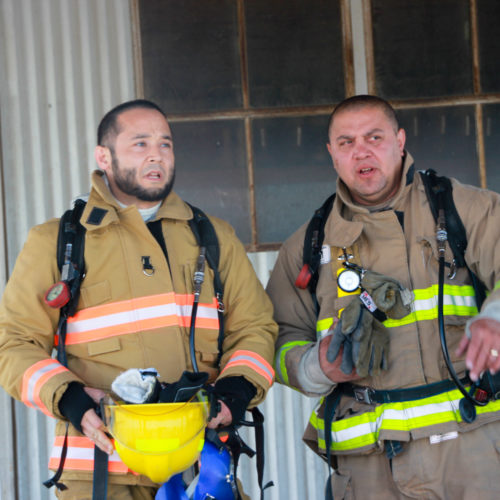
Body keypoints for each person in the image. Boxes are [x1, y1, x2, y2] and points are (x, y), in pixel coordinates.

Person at [0, 99, 278, 499]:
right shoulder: (58, 242)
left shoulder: (212, 237)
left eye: (165, 144)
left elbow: (255, 327)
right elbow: (14, 345)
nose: (156, 155)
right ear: (104, 157)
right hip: (100, 470)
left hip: (199, 465)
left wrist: (234, 393)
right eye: (140, 144)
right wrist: (72, 399)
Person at [266, 95, 500, 499]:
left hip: (471, 451)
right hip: (369, 468)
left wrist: (494, 316)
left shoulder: (463, 209)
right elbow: (274, 340)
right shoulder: (306, 247)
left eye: (374, 137)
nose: (362, 152)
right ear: (331, 154)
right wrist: (315, 367)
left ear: (400, 140)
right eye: (346, 142)